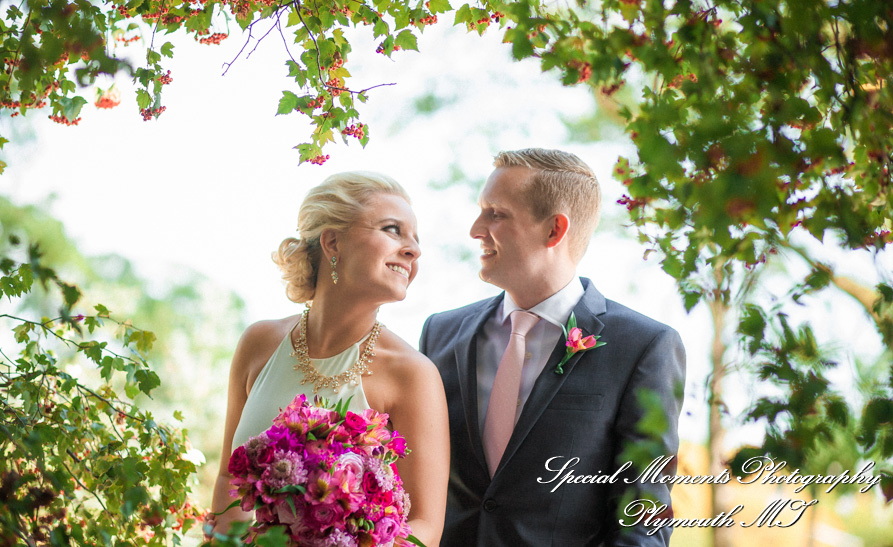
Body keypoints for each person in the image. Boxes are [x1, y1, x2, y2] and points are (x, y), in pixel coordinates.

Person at [419, 148, 686, 546]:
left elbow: (641, 521)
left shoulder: (643, 347)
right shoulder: (439, 334)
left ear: (554, 230)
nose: (476, 229)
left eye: (496, 213)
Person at [210, 171, 450, 546]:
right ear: (333, 241)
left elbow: (425, 525)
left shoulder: (412, 374)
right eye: (392, 230)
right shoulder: (259, 343)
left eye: (415, 239)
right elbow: (229, 479)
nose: (412, 249)